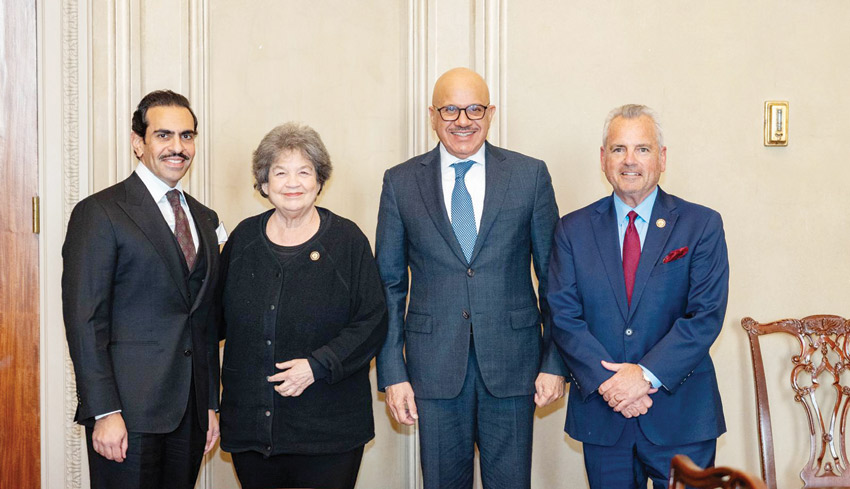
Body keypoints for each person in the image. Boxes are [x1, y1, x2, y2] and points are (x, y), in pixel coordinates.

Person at [375, 67, 567, 489]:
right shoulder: (401, 182)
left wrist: (554, 362)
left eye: (474, 109)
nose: (463, 120)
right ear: (432, 115)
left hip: (515, 366)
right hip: (433, 367)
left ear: (490, 113)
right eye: (450, 110)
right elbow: (389, 285)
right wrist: (392, 371)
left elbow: (554, 279)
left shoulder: (529, 175)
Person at [548, 104, 729, 489]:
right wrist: (611, 385)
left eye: (642, 149)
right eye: (619, 149)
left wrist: (643, 377)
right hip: (604, 415)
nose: (630, 160)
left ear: (661, 158)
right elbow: (564, 317)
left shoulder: (701, 225)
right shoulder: (572, 230)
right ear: (603, 158)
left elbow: (705, 316)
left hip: (682, 417)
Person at [62, 90, 223, 489]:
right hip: (127, 416)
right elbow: (85, 321)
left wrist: (210, 404)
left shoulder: (205, 218)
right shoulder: (100, 212)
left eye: (187, 136)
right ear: (138, 143)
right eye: (163, 135)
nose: (177, 147)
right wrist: (104, 412)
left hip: (190, 414)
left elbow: (201, 321)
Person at [217, 122, 388, 489]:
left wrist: (317, 366)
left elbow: (372, 322)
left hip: (329, 434)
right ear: (264, 184)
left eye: (304, 172)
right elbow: (212, 320)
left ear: (319, 181)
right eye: (280, 172)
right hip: (251, 432)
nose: (292, 183)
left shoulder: (347, 241)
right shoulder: (243, 240)